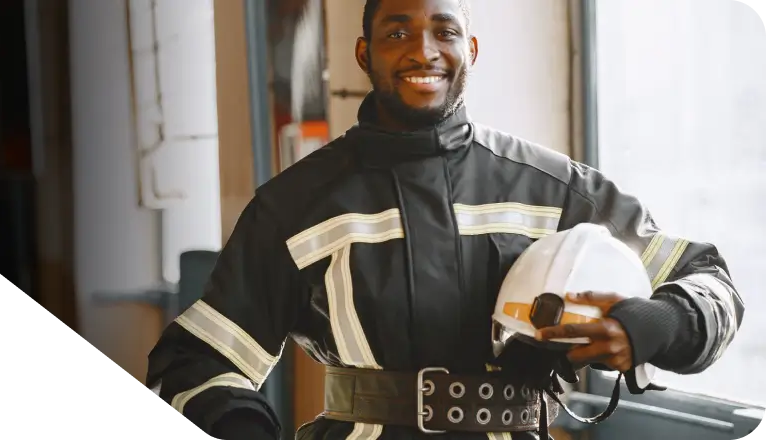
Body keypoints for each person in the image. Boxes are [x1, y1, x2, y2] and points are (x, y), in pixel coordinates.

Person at [145, 0, 745, 438]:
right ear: (365, 53)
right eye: (397, 31)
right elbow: (197, 357)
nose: (422, 50)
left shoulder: (552, 188)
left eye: (444, 30)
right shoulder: (295, 205)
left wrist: (654, 324)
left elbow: (712, 282)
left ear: (471, 49)